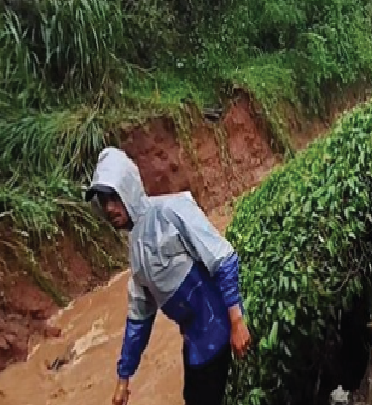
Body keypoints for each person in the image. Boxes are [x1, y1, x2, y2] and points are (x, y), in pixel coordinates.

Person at [86, 147, 251, 405]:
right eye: (104, 202)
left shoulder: (172, 210)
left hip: (217, 327)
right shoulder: (136, 251)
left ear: (128, 189)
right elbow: (138, 320)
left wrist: (237, 322)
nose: (109, 208)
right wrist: (123, 379)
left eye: (114, 198)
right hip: (193, 340)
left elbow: (223, 259)